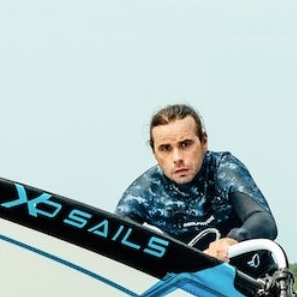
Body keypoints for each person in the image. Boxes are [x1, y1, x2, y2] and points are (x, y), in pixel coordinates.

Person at [116, 103, 276, 263]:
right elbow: (114, 233)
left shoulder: (223, 169)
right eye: (165, 148)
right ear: (154, 152)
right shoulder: (145, 191)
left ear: (204, 142)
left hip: (255, 274)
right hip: (189, 277)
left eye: (185, 144)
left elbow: (264, 220)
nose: (177, 158)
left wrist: (233, 240)